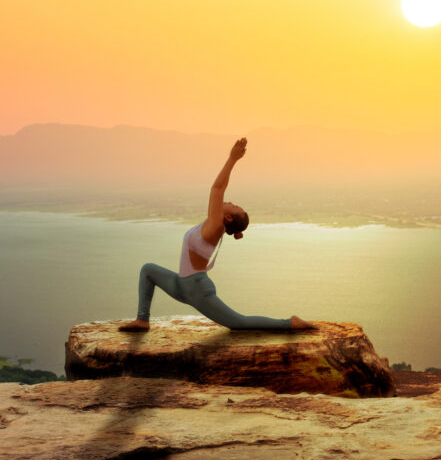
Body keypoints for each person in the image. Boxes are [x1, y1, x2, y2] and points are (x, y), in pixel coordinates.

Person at [119, 137, 315, 332]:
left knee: (238, 323)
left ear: (228, 217)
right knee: (148, 270)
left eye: (235, 206)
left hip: (196, 289)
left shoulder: (215, 225)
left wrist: (232, 159)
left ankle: (290, 323)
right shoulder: (217, 225)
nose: (231, 201)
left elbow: (217, 188)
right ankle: (142, 320)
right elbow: (231, 221)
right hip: (181, 285)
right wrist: (238, 230)